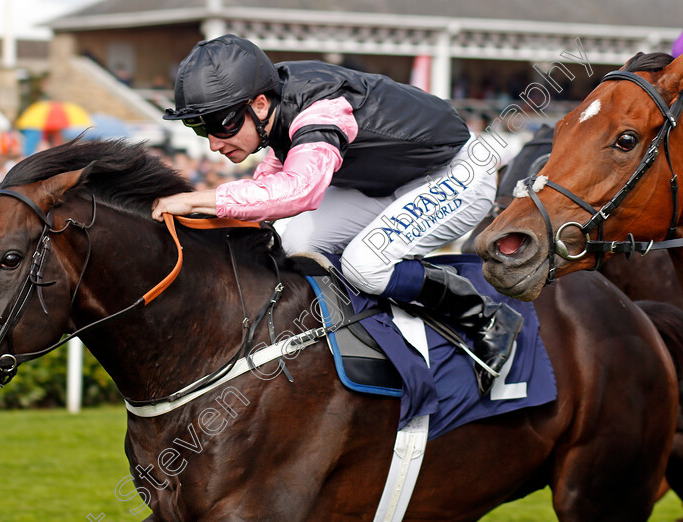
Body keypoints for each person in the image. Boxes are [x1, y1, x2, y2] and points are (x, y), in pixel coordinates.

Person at [154, 34, 522, 394]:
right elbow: (268, 185)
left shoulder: (320, 109)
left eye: (222, 124)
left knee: (366, 264)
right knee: (294, 241)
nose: (214, 143)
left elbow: (300, 190)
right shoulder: (274, 106)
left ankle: (486, 316)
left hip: (457, 173)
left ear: (260, 105)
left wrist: (195, 200)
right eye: (200, 127)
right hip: (389, 180)